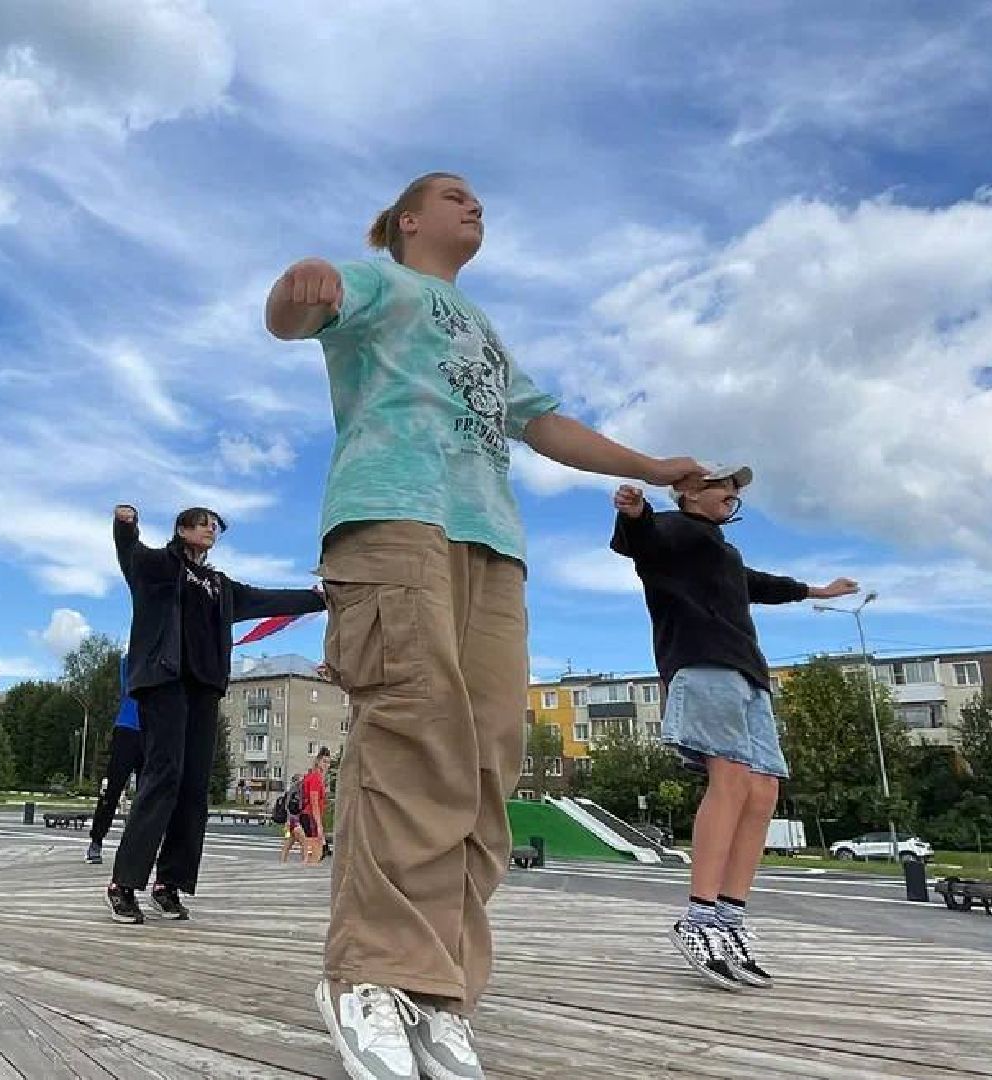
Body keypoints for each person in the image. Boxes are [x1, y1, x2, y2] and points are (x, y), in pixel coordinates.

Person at [265, 171, 705, 1080]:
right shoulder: (382, 283)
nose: (477, 205)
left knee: (485, 762)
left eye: (480, 199)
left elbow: (547, 427)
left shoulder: (486, 331)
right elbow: (295, 315)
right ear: (411, 220)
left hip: (491, 542)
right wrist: (299, 280)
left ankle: (438, 989)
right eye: (455, 195)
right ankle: (366, 978)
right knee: (411, 734)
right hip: (395, 518)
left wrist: (656, 465)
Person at [609, 469, 859, 990]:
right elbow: (641, 540)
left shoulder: (723, 551)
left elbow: (762, 586)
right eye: (725, 487)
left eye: (738, 492)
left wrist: (819, 590)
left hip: (749, 674)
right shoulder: (674, 529)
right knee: (731, 778)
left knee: (763, 789)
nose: (734, 496)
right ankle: (698, 917)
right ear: (690, 493)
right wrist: (633, 513)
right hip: (703, 666)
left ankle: (730, 919)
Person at [105, 504, 326, 925]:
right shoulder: (156, 566)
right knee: (163, 777)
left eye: (215, 527)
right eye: (204, 523)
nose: (211, 530)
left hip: (203, 690)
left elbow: (266, 598)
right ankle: (123, 884)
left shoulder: (220, 585)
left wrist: (317, 599)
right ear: (182, 528)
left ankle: (168, 884)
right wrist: (125, 525)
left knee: (193, 789)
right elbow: (128, 554)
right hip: (165, 682)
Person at [86, 658, 143, 865]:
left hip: (153, 731)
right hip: (127, 729)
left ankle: (143, 846)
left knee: (149, 793)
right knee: (112, 788)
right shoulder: (130, 660)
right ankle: (96, 841)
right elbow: (132, 688)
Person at [280, 747, 331, 865]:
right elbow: (314, 803)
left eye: (328, 762)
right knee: (315, 853)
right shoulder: (315, 778)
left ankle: (283, 865)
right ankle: (307, 871)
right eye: (324, 761)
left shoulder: (311, 777)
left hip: (302, 817)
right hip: (310, 818)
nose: (326, 765)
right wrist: (319, 825)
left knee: (295, 845)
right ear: (318, 761)